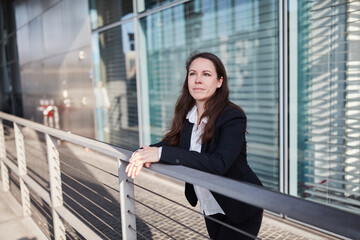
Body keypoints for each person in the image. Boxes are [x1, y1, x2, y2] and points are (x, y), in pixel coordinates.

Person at [125, 52, 263, 239]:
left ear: (219, 81)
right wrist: (142, 153)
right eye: (193, 73)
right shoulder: (188, 114)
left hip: (241, 205)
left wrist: (160, 153)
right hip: (211, 203)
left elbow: (219, 163)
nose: (198, 80)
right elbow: (173, 141)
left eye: (206, 74)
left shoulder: (233, 116)